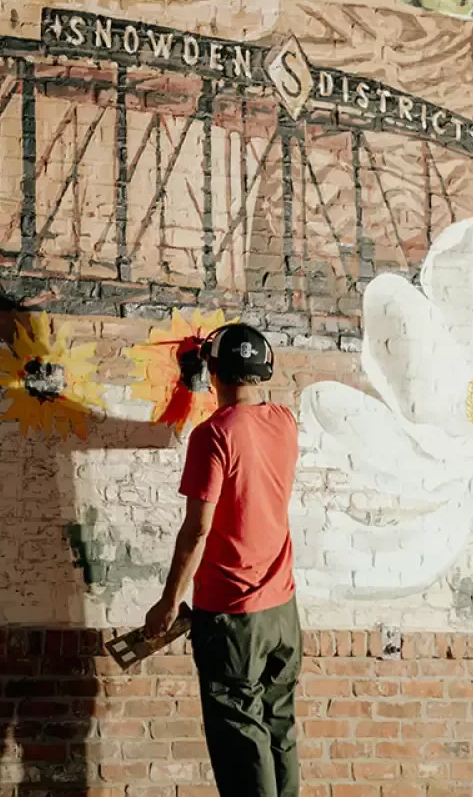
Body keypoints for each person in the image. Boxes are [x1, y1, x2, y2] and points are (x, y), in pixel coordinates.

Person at [144, 322, 300, 797]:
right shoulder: (285, 421)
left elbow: (197, 530)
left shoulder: (212, 436)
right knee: (279, 732)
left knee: (240, 742)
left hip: (232, 617)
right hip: (283, 612)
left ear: (212, 370)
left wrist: (168, 602)